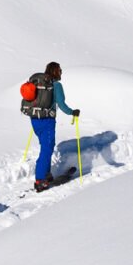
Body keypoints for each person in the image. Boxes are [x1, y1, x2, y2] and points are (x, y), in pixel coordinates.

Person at [22, 60, 81, 190]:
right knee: (47, 149)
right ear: (56, 71)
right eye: (60, 70)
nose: (61, 72)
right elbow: (62, 105)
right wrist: (72, 112)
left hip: (35, 119)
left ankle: (46, 173)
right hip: (47, 120)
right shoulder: (56, 85)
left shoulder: (38, 83)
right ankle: (40, 180)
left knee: (45, 146)